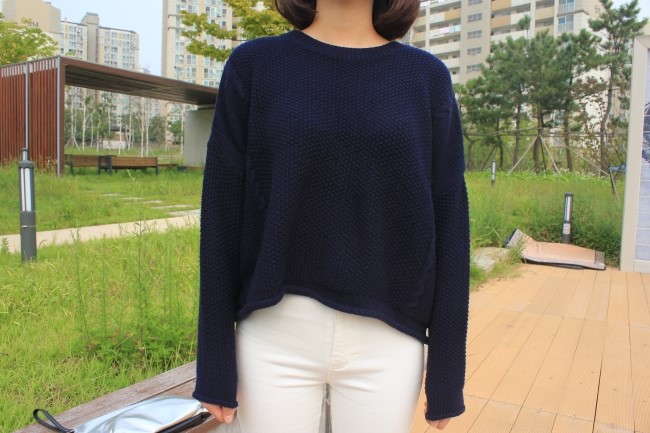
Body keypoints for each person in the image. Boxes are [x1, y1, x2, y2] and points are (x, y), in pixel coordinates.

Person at [192, 0, 470, 429]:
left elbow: (450, 222)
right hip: (272, 339)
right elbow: (221, 217)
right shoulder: (254, 67)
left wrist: (447, 375)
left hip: (388, 344)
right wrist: (214, 363)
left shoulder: (426, 78)